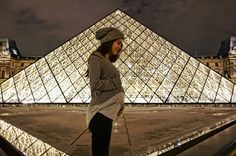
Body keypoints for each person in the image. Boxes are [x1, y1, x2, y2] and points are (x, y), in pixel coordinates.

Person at [86, 27, 125, 156]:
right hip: (100, 114)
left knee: (103, 152)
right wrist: (116, 83)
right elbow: (95, 84)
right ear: (109, 41)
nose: (120, 47)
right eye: (118, 42)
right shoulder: (95, 58)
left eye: (121, 44)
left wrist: (120, 104)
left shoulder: (106, 61)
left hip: (107, 114)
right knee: (100, 153)